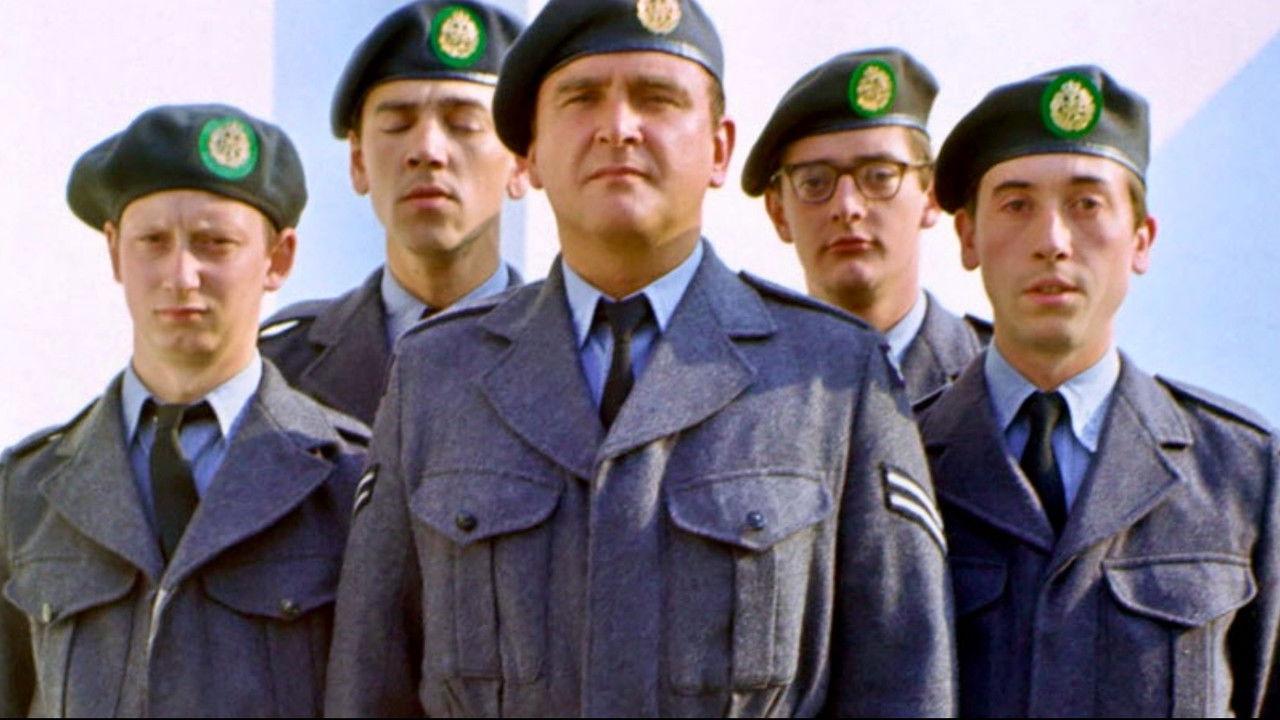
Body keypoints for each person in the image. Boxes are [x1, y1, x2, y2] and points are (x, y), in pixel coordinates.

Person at [324, 1, 955, 716]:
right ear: (529, 154)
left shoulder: (833, 378)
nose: (619, 127)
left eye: (657, 98)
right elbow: (370, 682)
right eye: (582, 98)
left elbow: (902, 681)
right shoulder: (437, 377)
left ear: (719, 149)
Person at [920, 66, 1280, 716]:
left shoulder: (1240, 472)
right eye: (1016, 205)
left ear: (1141, 240)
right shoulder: (902, 457)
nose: (1052, 243)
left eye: (1087, 204)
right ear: (968, 237)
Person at [0, 105, 368, 717]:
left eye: (214, 243)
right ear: (115, 252)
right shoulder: (27, 491)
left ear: (278, 258)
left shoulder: (351, 483)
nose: (181, 275)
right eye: (153, 242)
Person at [259, 0, 527, 425]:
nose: (427, 151)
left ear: (522, 162)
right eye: (398, 125)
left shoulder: (578, 360)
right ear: (358, 161)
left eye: (464, 125)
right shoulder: (277, 373)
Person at [743, 48, 987, 401]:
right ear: (778, 212)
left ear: (930, 197)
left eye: (879, 177)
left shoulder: (998, 383)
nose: (847, 207)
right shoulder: (739, 391)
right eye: (815, 182)